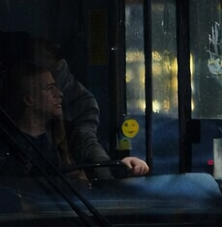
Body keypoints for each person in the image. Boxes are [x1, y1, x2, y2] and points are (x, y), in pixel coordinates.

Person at [31, 38, 148, 177]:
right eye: (49, 88)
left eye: (55, 57)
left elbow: (86, 141)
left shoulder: (80, 102)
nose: (59, 94)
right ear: (28, 99)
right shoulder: (17, 137)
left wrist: (113, 170)